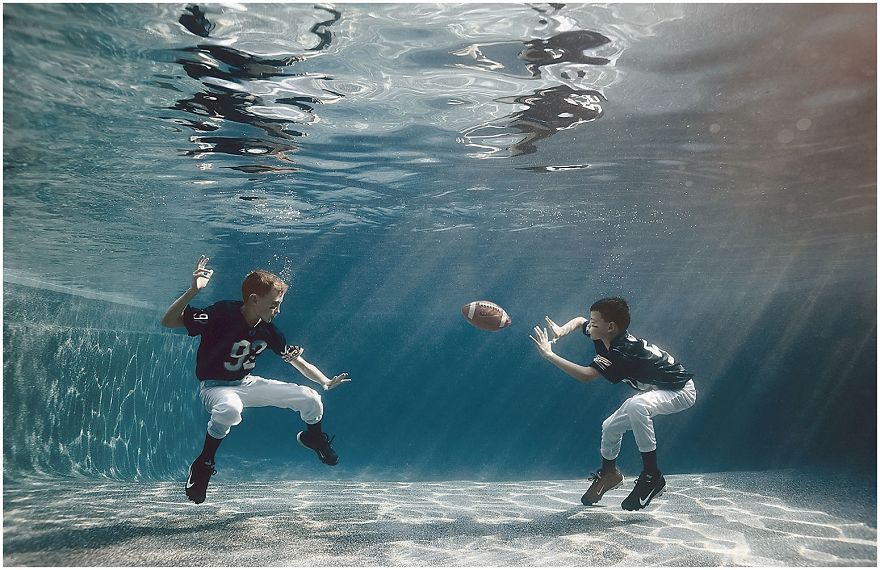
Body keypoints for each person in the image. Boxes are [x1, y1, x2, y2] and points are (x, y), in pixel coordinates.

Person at [161, 255, 351, 504]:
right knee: (230, 409)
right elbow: (169, 321)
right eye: (273, 304)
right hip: (215, 388)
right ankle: (203, 463)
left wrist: (324, 382)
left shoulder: (269, 331)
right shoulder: (221, 313)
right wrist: (192, 291)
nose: (278, 310)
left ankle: (313, 437)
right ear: (253, 300)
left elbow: (297, 362)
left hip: (246, 383)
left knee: (311, 398)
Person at [530, 297, 696, 511]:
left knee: (638, 406)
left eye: (594, 323)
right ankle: (610, 473)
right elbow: (580, 320)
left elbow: (586, 376)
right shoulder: (603, 333)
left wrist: (548, 354)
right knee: (610, 426)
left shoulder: (620, 352)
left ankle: (652, 475)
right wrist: (563, 330)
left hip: (681, 390)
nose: (589, 326)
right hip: (658, 389)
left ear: (610, 327)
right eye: (591, 321)